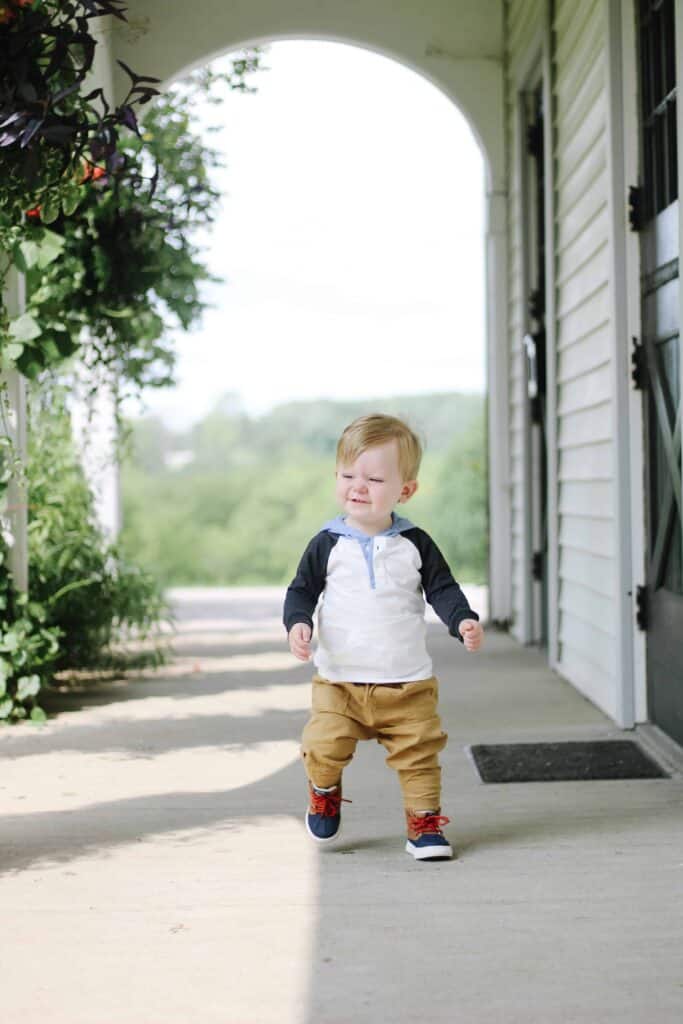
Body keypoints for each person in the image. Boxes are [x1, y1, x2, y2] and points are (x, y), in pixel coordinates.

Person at [283, 413, 484, 861]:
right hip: (340, 684)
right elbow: (301, 590)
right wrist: (298, 623)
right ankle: (324, 789)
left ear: (405, 490)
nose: (358, 485)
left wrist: (462, 620)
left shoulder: (415, 543)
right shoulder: (327, 543)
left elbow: (443, 589)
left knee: (419, 757)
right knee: (323, 746)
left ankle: (424, 825)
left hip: (407, 683)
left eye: (374, 478)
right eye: (348, 474)